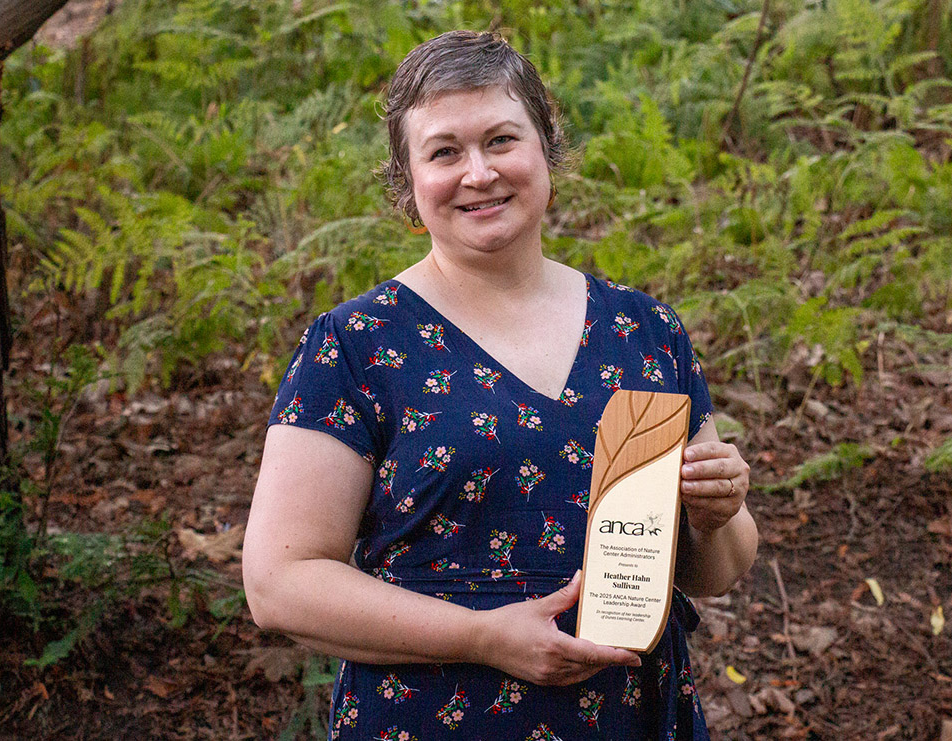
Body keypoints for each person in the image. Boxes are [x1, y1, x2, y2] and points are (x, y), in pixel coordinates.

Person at [242, 30, 758, 740]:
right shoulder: (356, 345)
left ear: (547, 149)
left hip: (627, 715)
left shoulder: (645, 330)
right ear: (408, 181)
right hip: (434, 719)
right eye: (444, 152)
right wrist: (482, 636)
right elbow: (279, 583)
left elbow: (715, 572)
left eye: (501, 140)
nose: (479, 173)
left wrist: (716, 512)